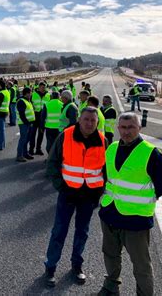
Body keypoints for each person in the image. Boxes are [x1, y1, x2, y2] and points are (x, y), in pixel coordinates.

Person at [98, 112, 162, 296]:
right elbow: (106, 177)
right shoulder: (112, 148)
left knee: (141, 265)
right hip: (109, 213)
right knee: (110, 255)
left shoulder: (151, 153)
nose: (126, 131)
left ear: (139, 128)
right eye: (123, 127)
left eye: (131, 127)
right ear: (118, 128)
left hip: (135, 220)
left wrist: (140, 202)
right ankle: (111, 285)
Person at [44, 107, 107, 287]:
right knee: (59, 231)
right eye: (86, 119)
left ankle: (76, 266)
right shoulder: (66, 135)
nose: (89, 123)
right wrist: (61, 187)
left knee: (82, 232)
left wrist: (98, 193)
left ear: (97, 123)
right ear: (79, 119)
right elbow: (52, 163)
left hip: (89, 196)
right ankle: (50, 267)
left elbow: (106, 171)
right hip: (68, 193)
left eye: (92, 121)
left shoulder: (103, 141)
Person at [29, 82, 50, 155]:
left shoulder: (48, 95)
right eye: (41, 87)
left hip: (43, 117)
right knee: (33, 134)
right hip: (35, 116)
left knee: (41, 134)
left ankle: (38, 149)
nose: (43, 88)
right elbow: (29, 103)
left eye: (44, 87)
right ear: (39, 87)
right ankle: (31, 149)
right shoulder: (34, 94)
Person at [16, 87, 35, 162]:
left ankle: (25, 153)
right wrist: (27, 123)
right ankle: (19, 155)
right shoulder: (21, 101)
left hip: (28, 123)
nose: (31, 94)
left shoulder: (27, 100)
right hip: (24, 124)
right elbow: (22, 114)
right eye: (30, 93)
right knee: (23, 139)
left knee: (26, 139)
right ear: (26, 93)